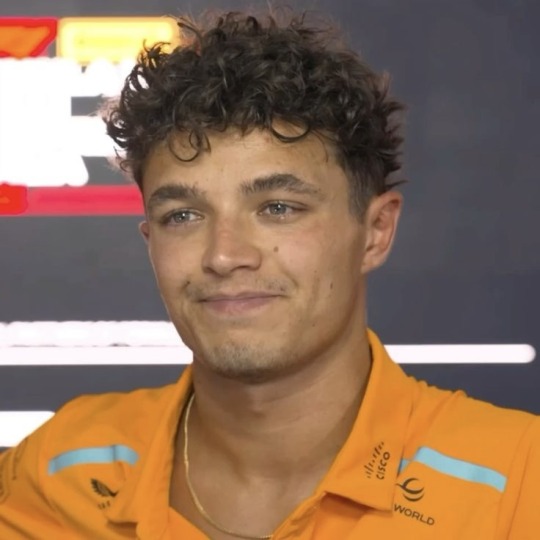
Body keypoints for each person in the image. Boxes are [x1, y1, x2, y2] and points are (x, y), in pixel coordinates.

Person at [0, 9, 538, 540]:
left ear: (375, 232)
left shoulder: (518, 482)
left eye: (278, 208)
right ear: (151, 241)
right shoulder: (55, 472)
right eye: (182, 216)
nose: (224, 255)